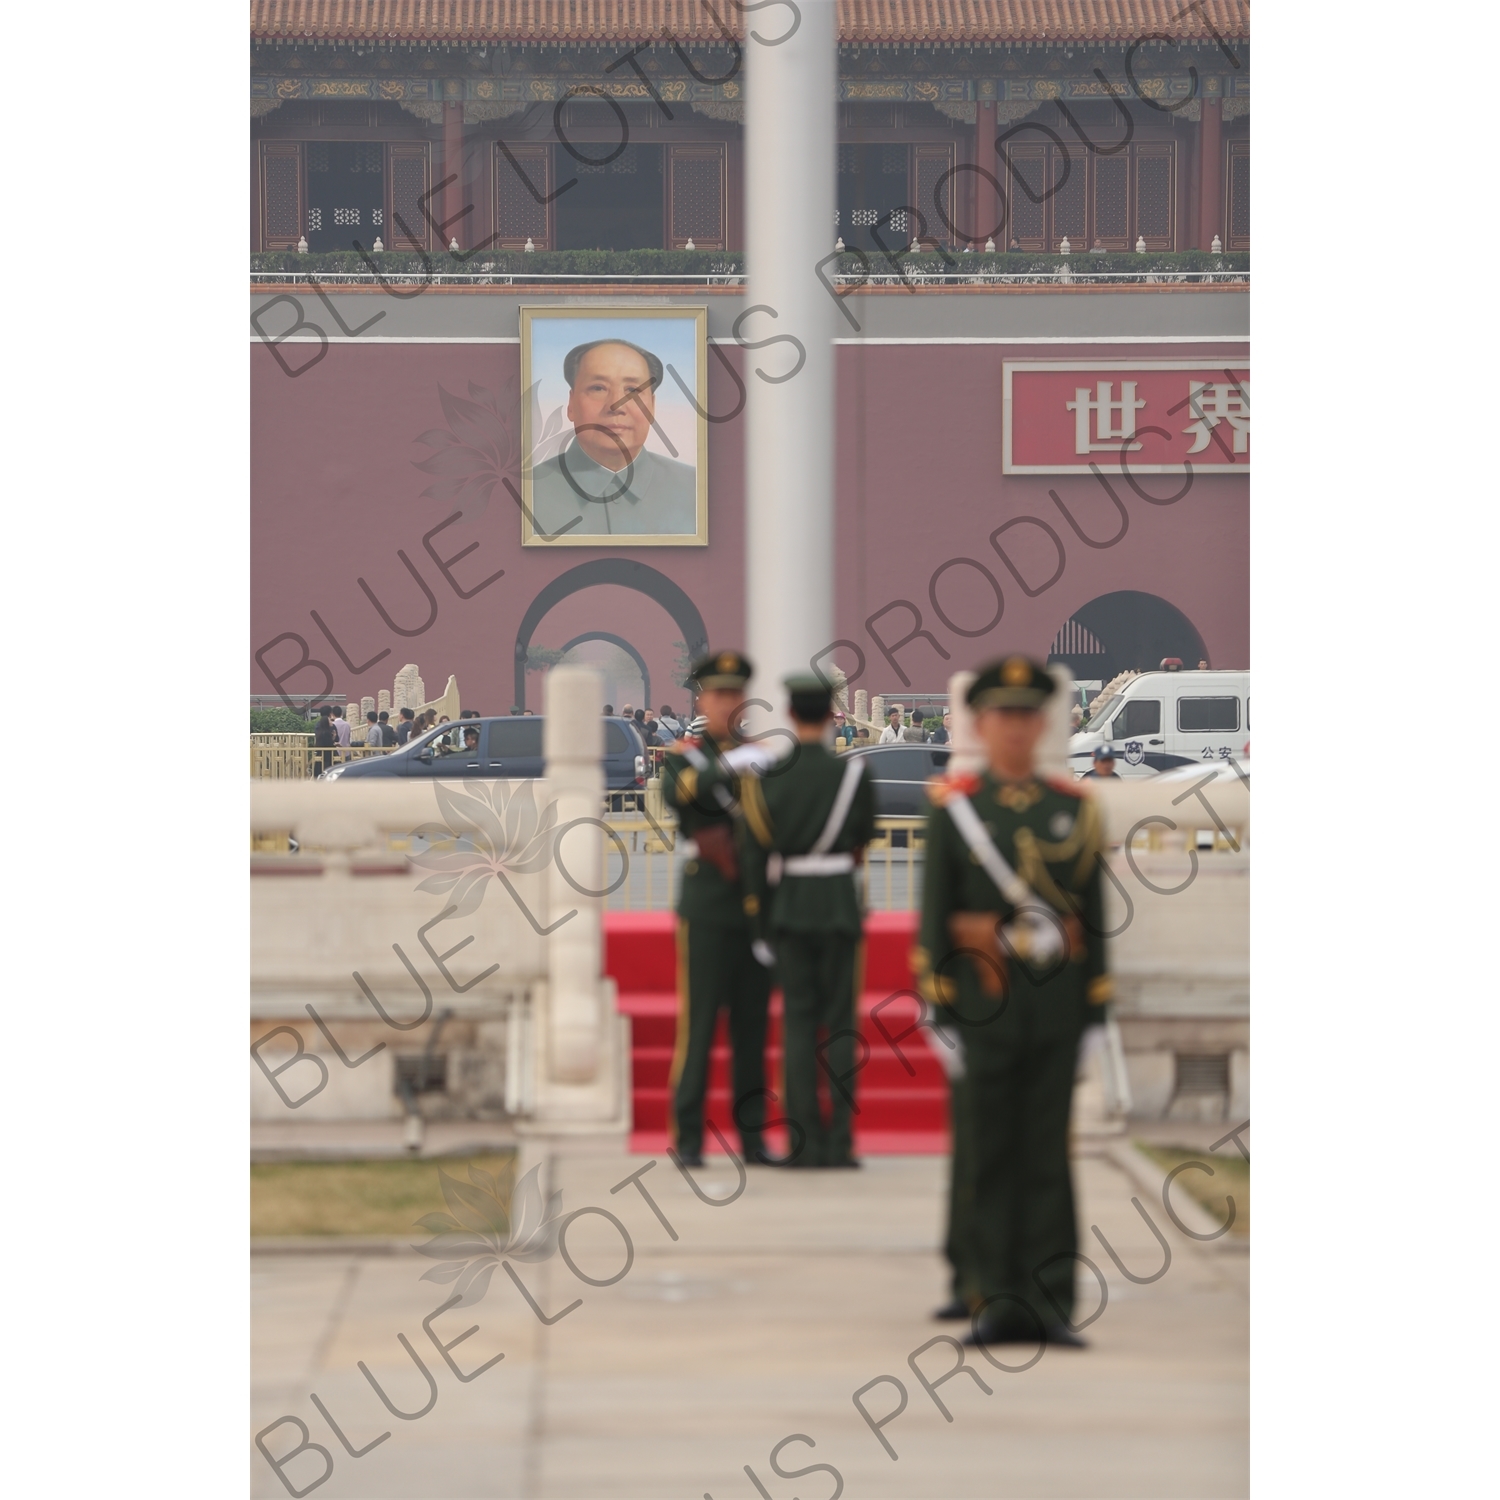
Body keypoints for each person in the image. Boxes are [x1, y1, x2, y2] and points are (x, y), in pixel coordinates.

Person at [914, 656, 1111, 1348]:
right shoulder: (957, 809)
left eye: (1030, 716)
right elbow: (935, 918)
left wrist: (1094, 1014)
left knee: (1048, 1159)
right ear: (982, 723)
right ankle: (993, 1298)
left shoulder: (1076, 812)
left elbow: (1094, 920)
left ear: (1044, 723)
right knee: (989, 1154)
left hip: (1055, 1011)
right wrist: (939, 1010)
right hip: (984, 1008)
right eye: (1005, 716)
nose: (1018, 729)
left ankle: (1051, 1301)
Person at [739, 676, 877, 1167]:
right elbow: (861, 841)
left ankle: (802, 1143)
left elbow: (755, 859)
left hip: (791, 907)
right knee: (840, 1025)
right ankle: (840, 1143)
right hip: (839, 903)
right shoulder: (855, 777)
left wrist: (759, 924)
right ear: (831, 715)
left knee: (799, 1026)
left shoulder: (768, 779)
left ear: (792, 715)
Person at [659, 651, 779, 1168]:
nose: (728, 702)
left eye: (736, 694)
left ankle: (751, 1138)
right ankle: (689, 1138)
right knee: (701, 1024)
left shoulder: (763, 757)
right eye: (719, 693)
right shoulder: (687, 755)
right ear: (702, 698)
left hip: (756, 906)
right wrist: (724, 768)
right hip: (707, 904)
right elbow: (677, 796)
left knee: (752, 1029)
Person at [529, 340, 698, 537]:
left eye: (633, 391)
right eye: (598, 388)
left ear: (652, 407)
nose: (617, 405)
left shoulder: (697, 489)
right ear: (571, 405)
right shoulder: (527, 492)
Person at [312, 705, 337, 776]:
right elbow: (334, 740)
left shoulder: (318, 725)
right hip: (329, 754)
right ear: (330, 714)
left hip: (320, 752)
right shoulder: (331, 726)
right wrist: (334, 737)